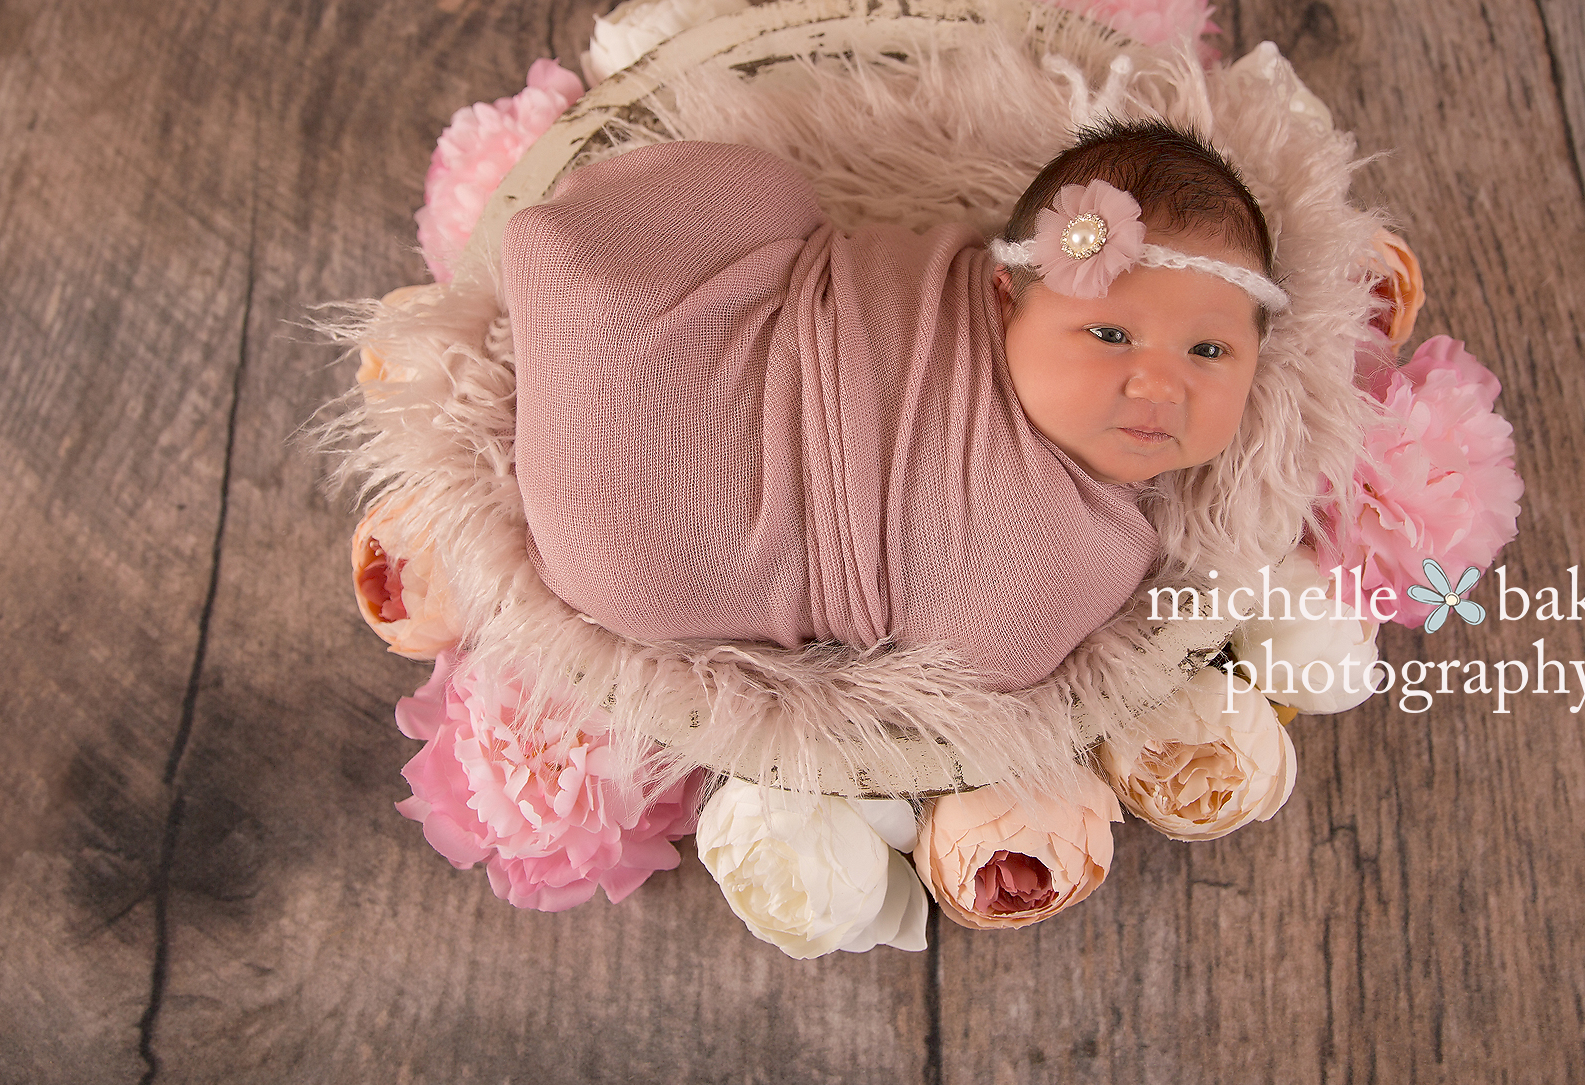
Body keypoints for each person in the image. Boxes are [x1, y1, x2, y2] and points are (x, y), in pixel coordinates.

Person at [501, 119, 1285, 692]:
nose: (1157, 385)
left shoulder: (1080, 557)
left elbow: (994, 642)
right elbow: (998, 658)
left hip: (651, 539)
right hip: (722, 342)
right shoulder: (1081, 556)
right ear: (1002, 294)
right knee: (748, 196)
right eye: (1110, 333)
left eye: (1209, 352)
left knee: (749, 193)